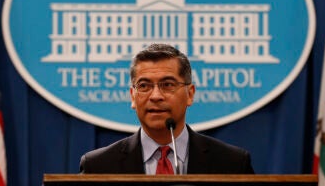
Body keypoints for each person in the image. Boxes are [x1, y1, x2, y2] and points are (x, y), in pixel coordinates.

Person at [80, 43, 254, 174]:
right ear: (133, 96)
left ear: (190, 94)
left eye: (168, 84)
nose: (155, 96)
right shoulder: (98, 166)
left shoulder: (232, 163)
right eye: (144, 86)